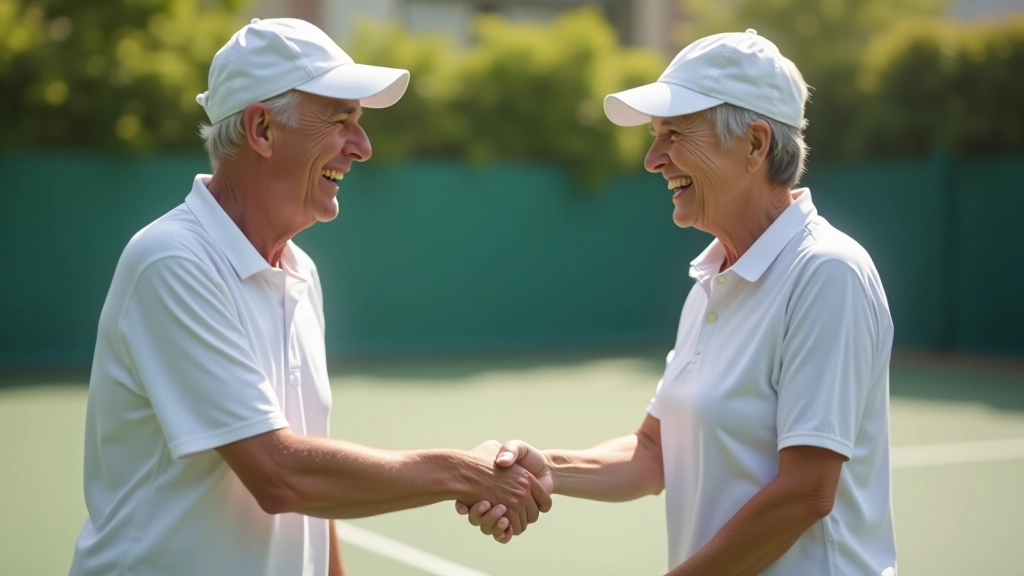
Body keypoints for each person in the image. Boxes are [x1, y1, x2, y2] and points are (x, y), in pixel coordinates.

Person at [69, 18, 550, 576]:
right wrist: (464, 473)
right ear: (262, 129)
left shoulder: (300, 270)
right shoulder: (173, 260)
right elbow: (280, 474)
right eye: (341, 119)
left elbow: (310, 488)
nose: (363, 147)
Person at [458, 29, 897, 576]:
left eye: (673, 134)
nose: (652, 159)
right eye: (654, 136)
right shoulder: (713, 277)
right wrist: (544, 468)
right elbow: (653, 453)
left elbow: (806, 493)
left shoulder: (828, 273)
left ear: (756, 145)